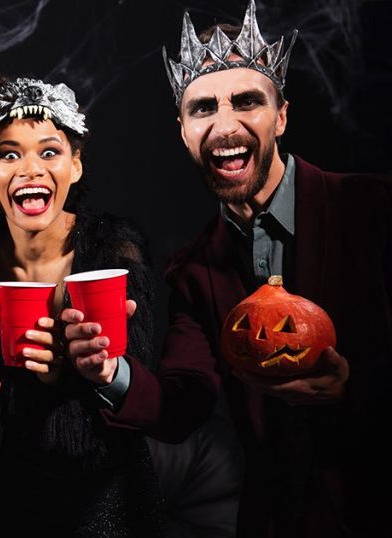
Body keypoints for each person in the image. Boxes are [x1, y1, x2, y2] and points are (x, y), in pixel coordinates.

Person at [155, 1, 392, 536]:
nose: (225, 126)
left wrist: (359, 388)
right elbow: (181, 400)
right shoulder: (192, 272)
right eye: (203, 109)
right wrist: (105, 371)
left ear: (281, 115)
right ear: (183, 131)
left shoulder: (375, 211)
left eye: (246, 101)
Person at [0, 75, 167, 536]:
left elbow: (138, 384)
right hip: (19, 487)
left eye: (49, 152)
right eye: (9, 154)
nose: (30, 168)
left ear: (75, 166)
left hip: (111, 488)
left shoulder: (113, 248)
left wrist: (87, 370)